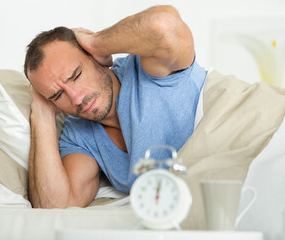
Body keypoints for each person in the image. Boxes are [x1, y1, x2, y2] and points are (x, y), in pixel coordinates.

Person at [24, 5, 207, 209]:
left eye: (76, 75)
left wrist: (97, 43)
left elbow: (163, 26)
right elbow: (56, 205)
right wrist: (41, 112)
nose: (76, 98)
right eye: (58, 95)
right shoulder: (79, 134)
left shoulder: (150, 69)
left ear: (93, 57)